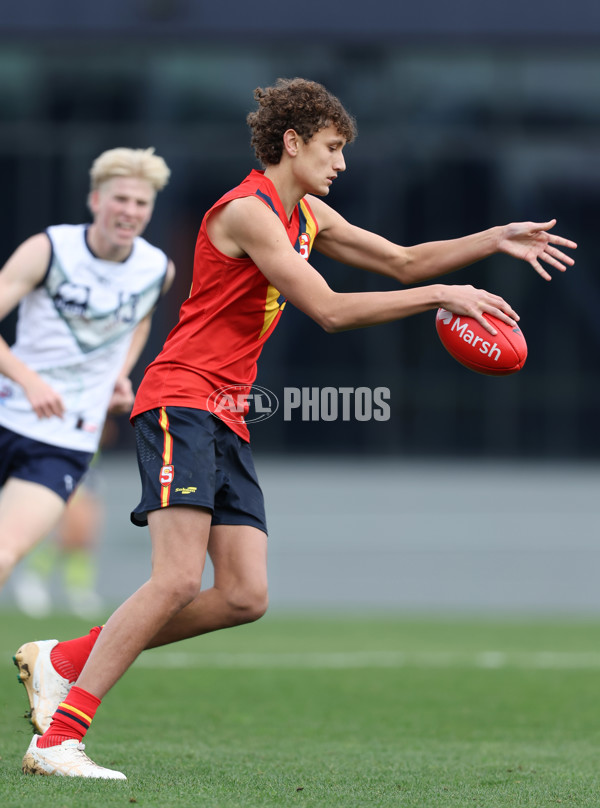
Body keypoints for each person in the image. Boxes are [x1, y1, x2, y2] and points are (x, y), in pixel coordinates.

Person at [14, 78, 576, 780]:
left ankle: (64, 659)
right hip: (181, 401)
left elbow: (401, 260)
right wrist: (440, 295)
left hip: (227, 415)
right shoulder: (250, 212)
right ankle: (59, 738)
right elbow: (331, 310)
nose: (342, 164)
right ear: (293, 142)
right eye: (333, 148)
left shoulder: (307, 213)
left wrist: (492, 240)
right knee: (176, 579)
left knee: (245, 595)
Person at [0, 146, 175, 600]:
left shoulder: (157, 269)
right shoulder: (50, 249)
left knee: (3, 553)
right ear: (96, 200)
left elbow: (141, 319)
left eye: (141, 203)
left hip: (65, 438)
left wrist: (122, 374)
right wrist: (28, 379)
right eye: (120, 199)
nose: (129, 211)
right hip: (7, 409)